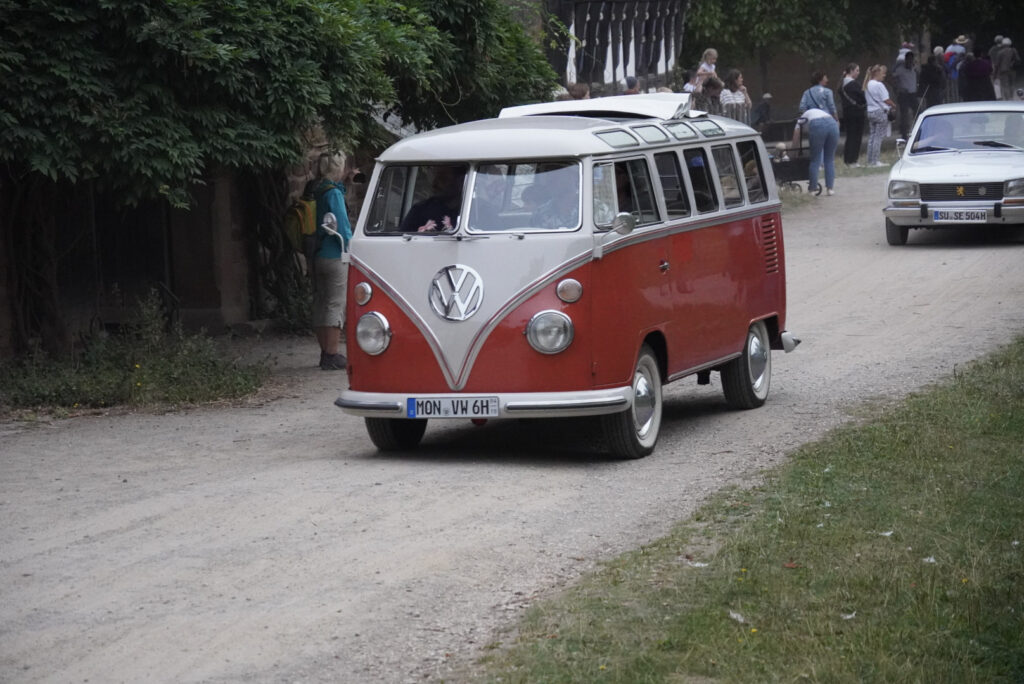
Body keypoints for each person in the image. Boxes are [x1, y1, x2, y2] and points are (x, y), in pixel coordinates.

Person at [310, 153, 356, 370]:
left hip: (320, 253)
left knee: (321, 302)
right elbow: (343, 227)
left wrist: (344, 184)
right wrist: (353, 249)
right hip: (336, 253)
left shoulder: (319, 191)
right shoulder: (334, 194)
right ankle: (332, 353)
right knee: (336, 303)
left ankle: (324, 350)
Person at [399, 166, 465, 233]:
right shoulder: (420, 210)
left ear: (460, 181)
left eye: (443, 179)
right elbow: (402, 239)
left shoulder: (471, 210)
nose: (434, 183)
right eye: (434, 178)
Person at [793, 107, 839, 195]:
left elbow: (796, 137)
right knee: (829, 159)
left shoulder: (800, 119)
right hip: (833, 124)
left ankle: (812, 189)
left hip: (818, 126)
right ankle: (830, 189)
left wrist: (791, 153)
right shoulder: (817, 112)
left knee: (815, 160)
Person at [864, 64, 896, 167]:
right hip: (880, 112)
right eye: (883, 73)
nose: (884, 76)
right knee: (878, 137)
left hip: (870, 112)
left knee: (872, 136)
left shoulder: (867, 84)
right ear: (877, 73)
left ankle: (869, 160)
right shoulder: (879, 85)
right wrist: (893, 105)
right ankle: (875, 161)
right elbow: (885, 99)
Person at [839, 63, 867, 166]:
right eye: (857, 70)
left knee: (850, 136)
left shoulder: (842, 85)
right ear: (851, 71)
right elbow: (862, 97)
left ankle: (847, 159)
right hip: (857, 113)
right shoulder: (854, 84)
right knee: (856, 137)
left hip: (847, 113)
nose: (858, 73)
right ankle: (853, 159)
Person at [892, 51, 919, 139]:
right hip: (904, 94)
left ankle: (917, 130)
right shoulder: (900, 69)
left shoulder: (914, 69)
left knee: (918, 111)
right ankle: (904, 134)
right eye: (909, 60)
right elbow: (892, 78)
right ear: (906, 59)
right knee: (904, 115)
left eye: (912, 60)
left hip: (913, 93)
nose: (910, 62)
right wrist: (898, 88)